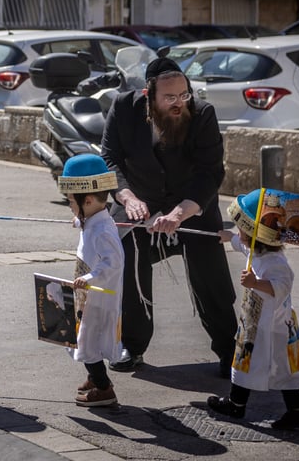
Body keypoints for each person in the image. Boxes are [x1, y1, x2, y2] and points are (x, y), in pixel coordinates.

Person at [100, 55, 236, 375]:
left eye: (184, 95)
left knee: (210, 277)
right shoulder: (123, 107)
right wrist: (127, 196)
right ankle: (132, 346)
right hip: (139, 201)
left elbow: (211, 171)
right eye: (170, 98)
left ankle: (230, 349)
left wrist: (180, 212)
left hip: (191, 203)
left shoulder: (202, 114)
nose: (179, 104)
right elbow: (109, 159)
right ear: (149, 95)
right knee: (129, 263)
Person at [208, 189, 299, 430]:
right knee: (256, 364)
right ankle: (290, 411)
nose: (240, 234)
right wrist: (229, 237)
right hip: (261, 323)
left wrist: (256, 283)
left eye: (242, 230)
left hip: (272, 326)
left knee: (261, 364)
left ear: (257, 234)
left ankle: (239, 405)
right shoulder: (256, 250)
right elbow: (243, 246)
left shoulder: (275, 263)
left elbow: (282, 286)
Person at [58, 154, 125, 408]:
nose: (70, 208)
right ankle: (95, 378)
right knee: (83, 337)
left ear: (87, 200)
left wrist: (89, 277)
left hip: (97, 297)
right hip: (87, 296)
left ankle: (104, 388)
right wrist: (78, 220)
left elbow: (113, 263)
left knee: (88, 342)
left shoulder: (102, 230)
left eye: (71, 203)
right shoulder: (93, 221)